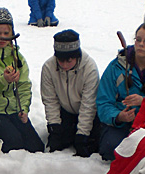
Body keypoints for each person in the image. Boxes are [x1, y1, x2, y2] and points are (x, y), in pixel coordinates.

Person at [96, 22, 145, 160]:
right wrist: (118, 116)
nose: (140, 44)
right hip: (122, 124)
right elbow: (103, 102)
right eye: (138, 40)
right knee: (112, 148)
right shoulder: (117, 66)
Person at [0, 7, 44, 153]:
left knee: (36, 148)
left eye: (6, 33)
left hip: (12, 110)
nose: (2, 37)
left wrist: (23, 109)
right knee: (13, 144)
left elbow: (23, 86)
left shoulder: (18, 57)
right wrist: (3, 80)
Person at [40, 29, 100, 157]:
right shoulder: (48, 67)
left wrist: (83, 134)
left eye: (69, 60)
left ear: (77, 56)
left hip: (89, 113)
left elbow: (88, 104)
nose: (65, 65)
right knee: (61, 141)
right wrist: (54, 127)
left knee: (93, 144)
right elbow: (50, 100)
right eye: (61, 61)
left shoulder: (89, 69)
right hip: (66, 111)